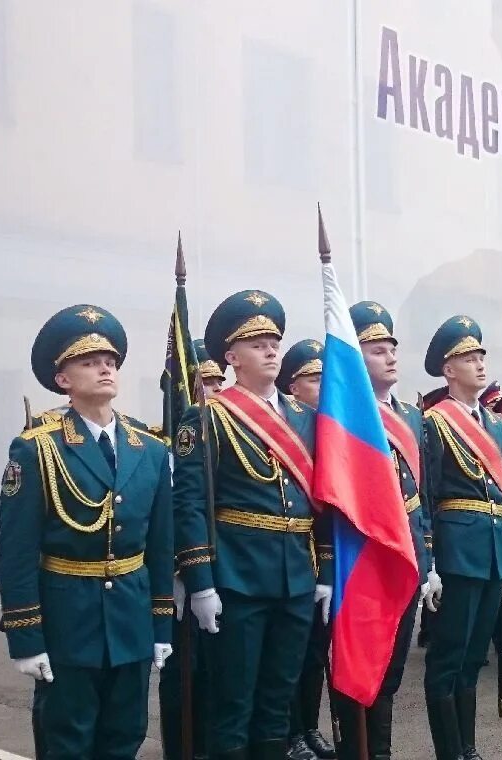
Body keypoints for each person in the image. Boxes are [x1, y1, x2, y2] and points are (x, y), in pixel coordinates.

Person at [0, 305, 173, 760]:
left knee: (125, 735)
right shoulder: (39, 446)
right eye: (89, 361)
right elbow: (18, 550)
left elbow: (159, 543)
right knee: (68, 740)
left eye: (111, 362)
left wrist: (160, 626)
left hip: (131, 620)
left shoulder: (150, 449)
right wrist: (26, 635)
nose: (105, 368)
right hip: (68, 620)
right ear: (63, 380)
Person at [174, 290, 328, 759]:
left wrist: (324, 571)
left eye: (274, 342)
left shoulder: (305, 418)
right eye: (257, 343)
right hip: (238, 580)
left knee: (277, 706)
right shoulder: (207, 416)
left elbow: (321, 499)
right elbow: (191, 504)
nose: (270, 350)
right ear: (231, 356)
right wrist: (201, 584)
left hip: (296, 579)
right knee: (233, 707)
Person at [322, 302, 440, 760]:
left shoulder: (411, 415)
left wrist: (428, 562)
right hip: (362, 558)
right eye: (376, 349)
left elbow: (421, 496)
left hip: (403, 556)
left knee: (390, 671)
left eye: (392, 347)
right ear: (354, 358)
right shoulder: (339, 416)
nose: (390, 356)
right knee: (357, 669)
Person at [419, 315, 502, 760]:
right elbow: (427, 494)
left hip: (493, 550)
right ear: (448, 370)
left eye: (481, 356)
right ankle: (448, 751)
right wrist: (431, 562)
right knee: (448, 656)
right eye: (468, 357)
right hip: (457, 551)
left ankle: (468, 748)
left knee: (475, 655)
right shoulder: (434, 423)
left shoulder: (496, 425)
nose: (479, 364)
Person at [159, 338, 223, 760]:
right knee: (181, 674)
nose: (213, 391)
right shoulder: (156, 444)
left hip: (222, 574)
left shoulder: (225, 437)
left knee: (217, 674)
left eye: (219, 383)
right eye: (204, 383)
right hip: (177, 576)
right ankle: (181, 749)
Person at [274, 338, 337, 760]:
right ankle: (289, 732)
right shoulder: (289, 427)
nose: (323, 385)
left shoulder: (324, 429)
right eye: (315, 379)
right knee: (287, 659)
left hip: (318, 556)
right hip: (287, 555)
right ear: (293, 387)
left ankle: (309, 726)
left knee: (316, 651)